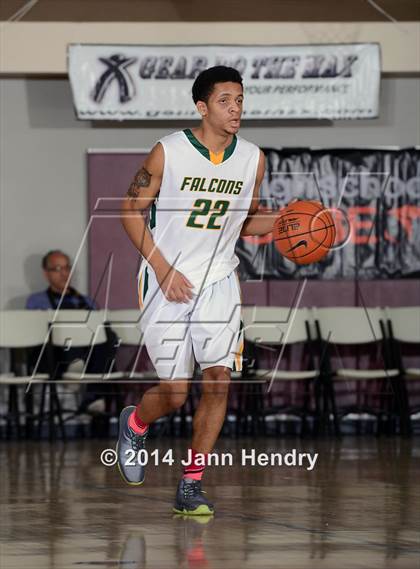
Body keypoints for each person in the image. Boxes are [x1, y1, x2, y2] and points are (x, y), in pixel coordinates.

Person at [118, 66, 277, 515]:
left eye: (241, 100)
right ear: (202, 107)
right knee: (174, 393)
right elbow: (130, 211)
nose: (236, 109)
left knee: (218, 383)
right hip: (166, 280)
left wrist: (288, 223)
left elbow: (246, 223)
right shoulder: (167, 152)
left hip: (220, 280)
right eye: (226, 101)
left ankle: (191, 484)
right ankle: (134, 424)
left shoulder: (253, 159)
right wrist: (163, 269)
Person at [26, 250, 115, 411]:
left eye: (67, 268)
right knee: (55, 333)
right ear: (46, 273)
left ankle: (92, 394)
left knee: (107, 334)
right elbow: (34, 334)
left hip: (88, 354)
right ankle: (77, 373)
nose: (64, 274)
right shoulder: (36, 301)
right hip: (53, 356)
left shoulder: (86, 301)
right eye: (57, 269)